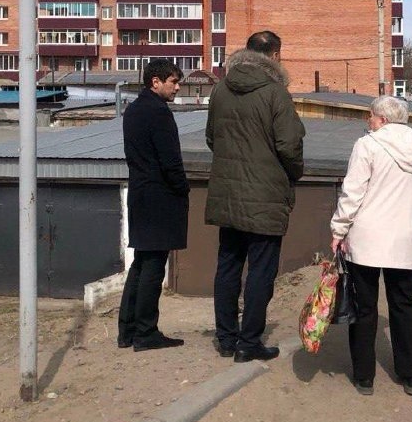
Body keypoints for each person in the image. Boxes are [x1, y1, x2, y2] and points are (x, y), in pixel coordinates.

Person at [205, 31, 305, 363]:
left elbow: (211, 138)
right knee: (261, 271)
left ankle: (226, 338)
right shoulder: (276, 93)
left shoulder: (221, 89)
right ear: (275, 56)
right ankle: (249, 342)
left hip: (227, 194)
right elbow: (289, 146)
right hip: (265, 196)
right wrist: (293, 173)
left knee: (228, 266)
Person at [331, 96, 412, 396]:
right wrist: (409, 218)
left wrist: (339, 229)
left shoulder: (367, 145)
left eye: (372, 116)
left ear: (383, 120)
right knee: (404, 303)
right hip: (404, 238)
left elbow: (353, 191)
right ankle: (411, 374)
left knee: (364, 307)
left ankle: (365, 376)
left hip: (367, 238)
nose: (369, 120)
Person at [118, 59, 189, 352]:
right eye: (173, 81)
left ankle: (128, 331)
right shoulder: (158, 112)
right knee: (153, 267)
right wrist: (182, 189)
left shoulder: (134, 109)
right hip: (159, 197)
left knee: (141, 263)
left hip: (140, 193)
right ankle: (146, 332)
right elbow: (170, 160)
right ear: (155, 82)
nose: (177, 87)